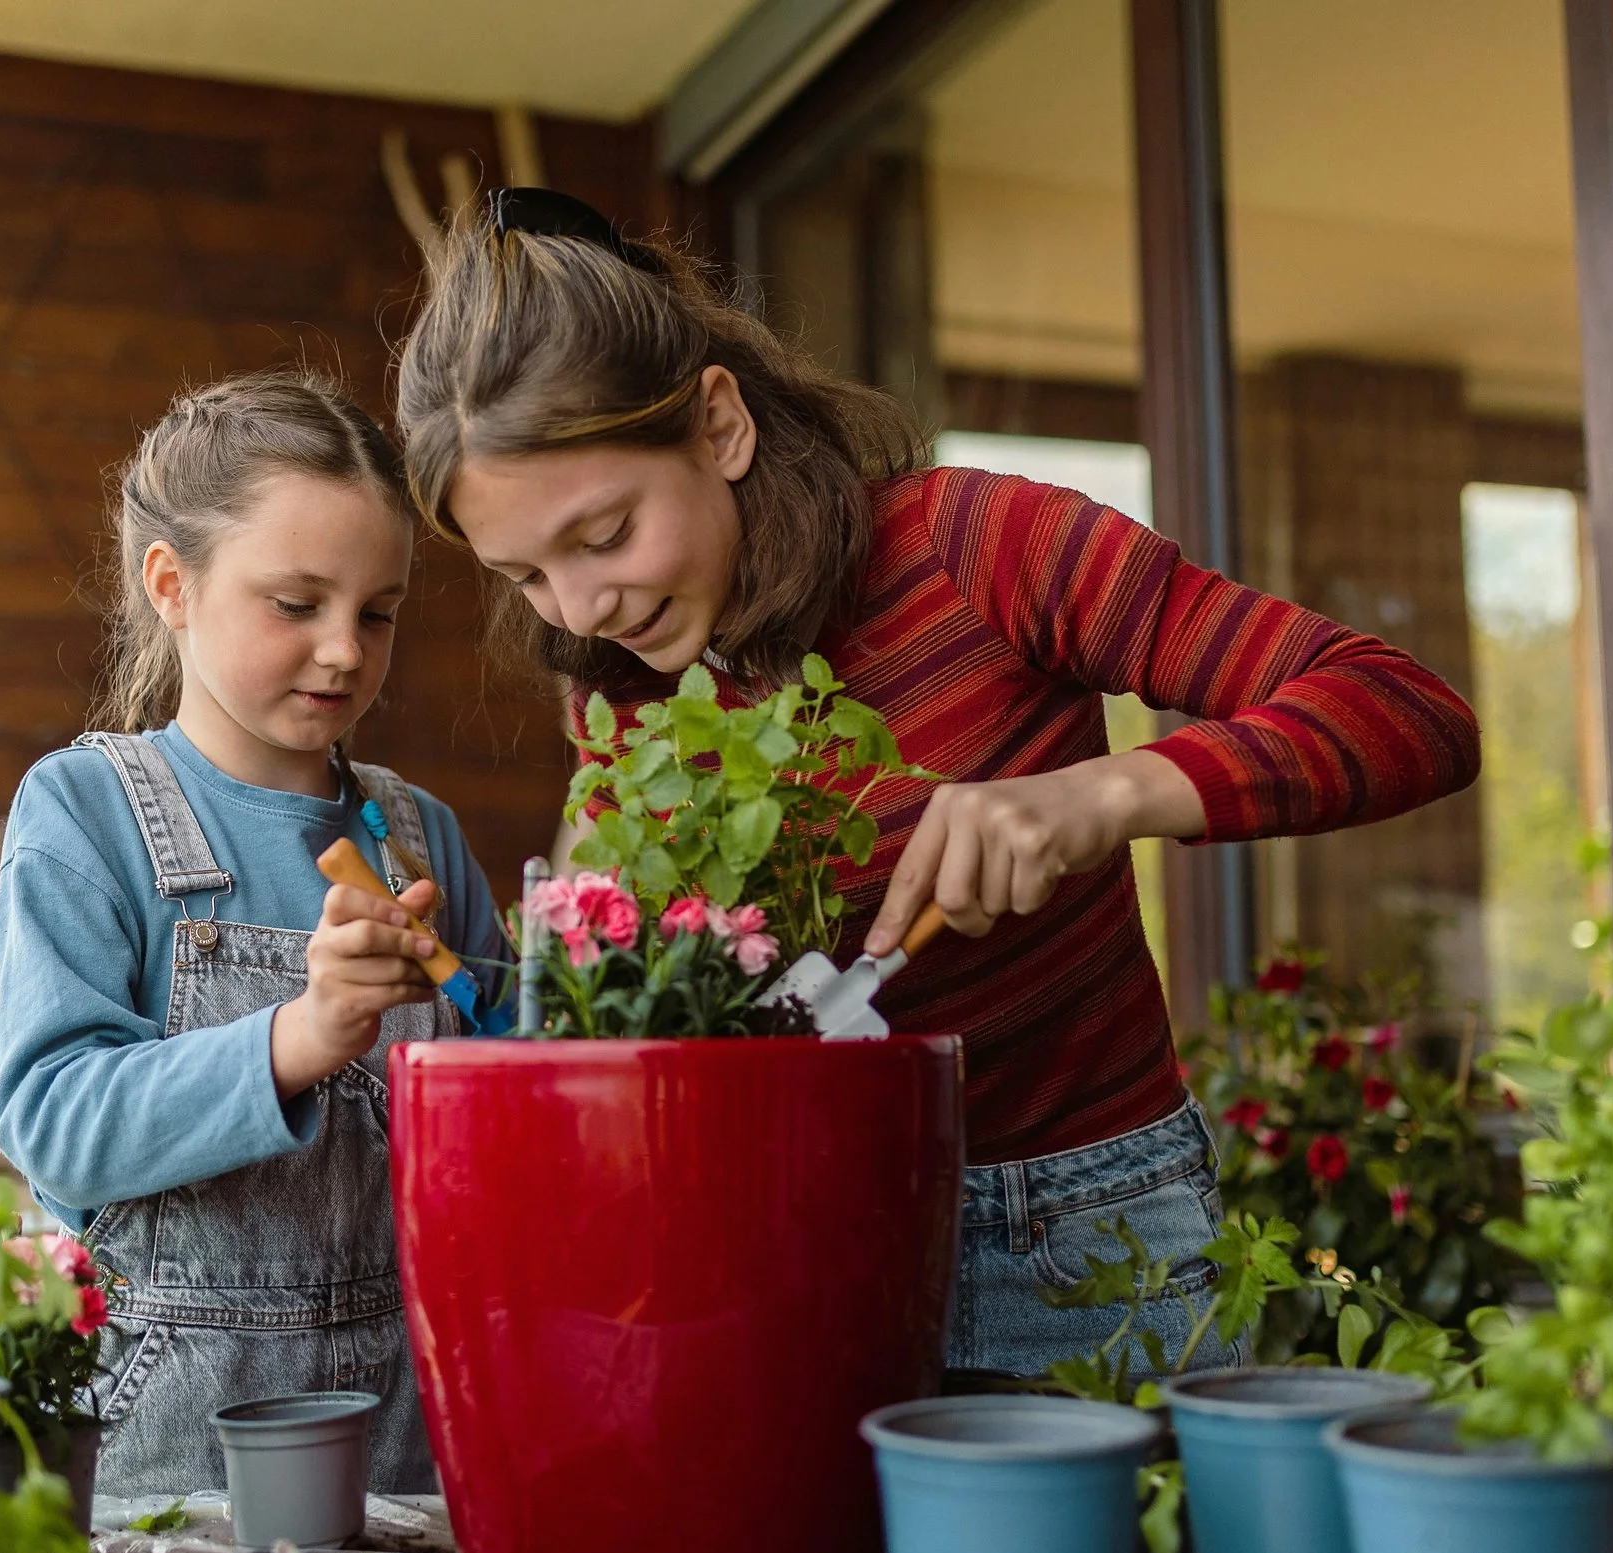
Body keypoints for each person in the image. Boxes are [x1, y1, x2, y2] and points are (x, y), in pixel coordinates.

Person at [394, 189, 1480, 1376]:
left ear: (719, 426)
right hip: (795, 1242)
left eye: (603, 535)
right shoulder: (621, 690)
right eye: (527, 575)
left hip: (1085, 1237)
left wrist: (1098, 798)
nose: (581, 606)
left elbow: (1403, 711)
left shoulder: (977, 548)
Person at [0, 367, 507, 1494]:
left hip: (411, 1454)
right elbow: (51, 1124)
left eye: (377, 612)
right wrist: (301, 1035)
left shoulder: (422, 840)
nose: (344, 651)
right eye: (296, 603)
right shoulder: (84, 812)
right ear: (172, 585)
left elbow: (515, 1125)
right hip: (166, 1466)